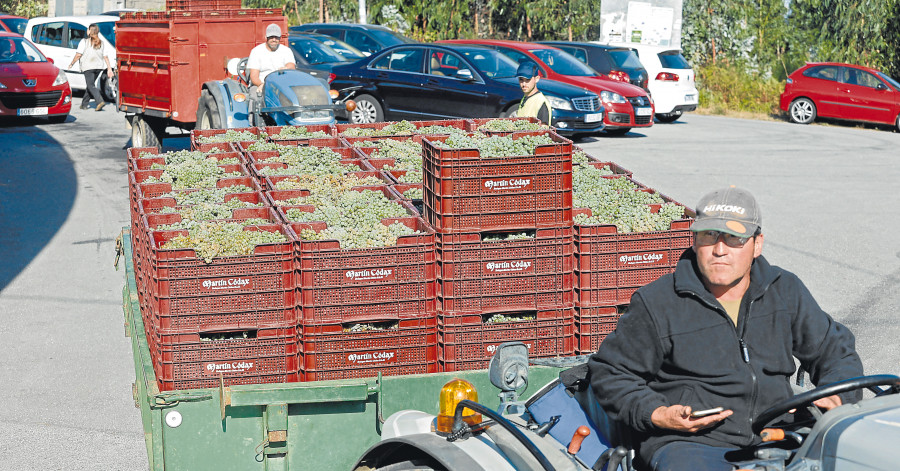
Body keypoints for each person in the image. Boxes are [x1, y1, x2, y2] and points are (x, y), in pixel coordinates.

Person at [587, 186, 863, 471]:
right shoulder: (657, 302)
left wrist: (836, 395)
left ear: (757, 244)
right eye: (709, 236)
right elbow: (611, 373)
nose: (720, 250)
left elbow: (834, 350)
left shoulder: (785, 290)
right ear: (694, 242)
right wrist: (658, 414)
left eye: (735, 238)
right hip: (690, 443)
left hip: (778, 431)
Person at [68, 24, 114, 111]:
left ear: (90, 32)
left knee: (90, 85)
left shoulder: (84, 42)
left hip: (88, 66)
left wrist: (71, 63)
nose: (87, 31)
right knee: (90, 85)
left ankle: (100, 101)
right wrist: (109, 69)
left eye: (88, 30)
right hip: (98, 67)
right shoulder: (102, 43)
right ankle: (84, 104)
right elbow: (105, 57)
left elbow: (78, 55)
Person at [246, 23, 295, 97]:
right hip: (260, 84)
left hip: (281, 85)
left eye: (276, 37)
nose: (274, 40)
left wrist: (287, 68)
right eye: (271, 37)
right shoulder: (256, 51)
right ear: (266, 37)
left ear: (280, 37)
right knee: (254, 96)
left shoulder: (286, 50)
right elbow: (254, 76)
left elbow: (291, 66)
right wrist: (262, 85)